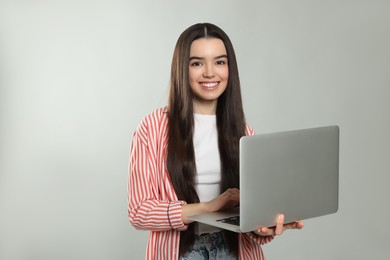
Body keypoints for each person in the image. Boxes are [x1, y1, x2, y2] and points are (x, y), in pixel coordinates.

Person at [128, 22, 304, 260]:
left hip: (234, 251)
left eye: (220, 62)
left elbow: (250, 217)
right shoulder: (153, 128)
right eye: (197, 63)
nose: (210, 72)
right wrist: (207, 207)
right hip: (180, 253)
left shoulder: (244, 133)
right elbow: (139, 212)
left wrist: (264, 228)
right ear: (182, 68)